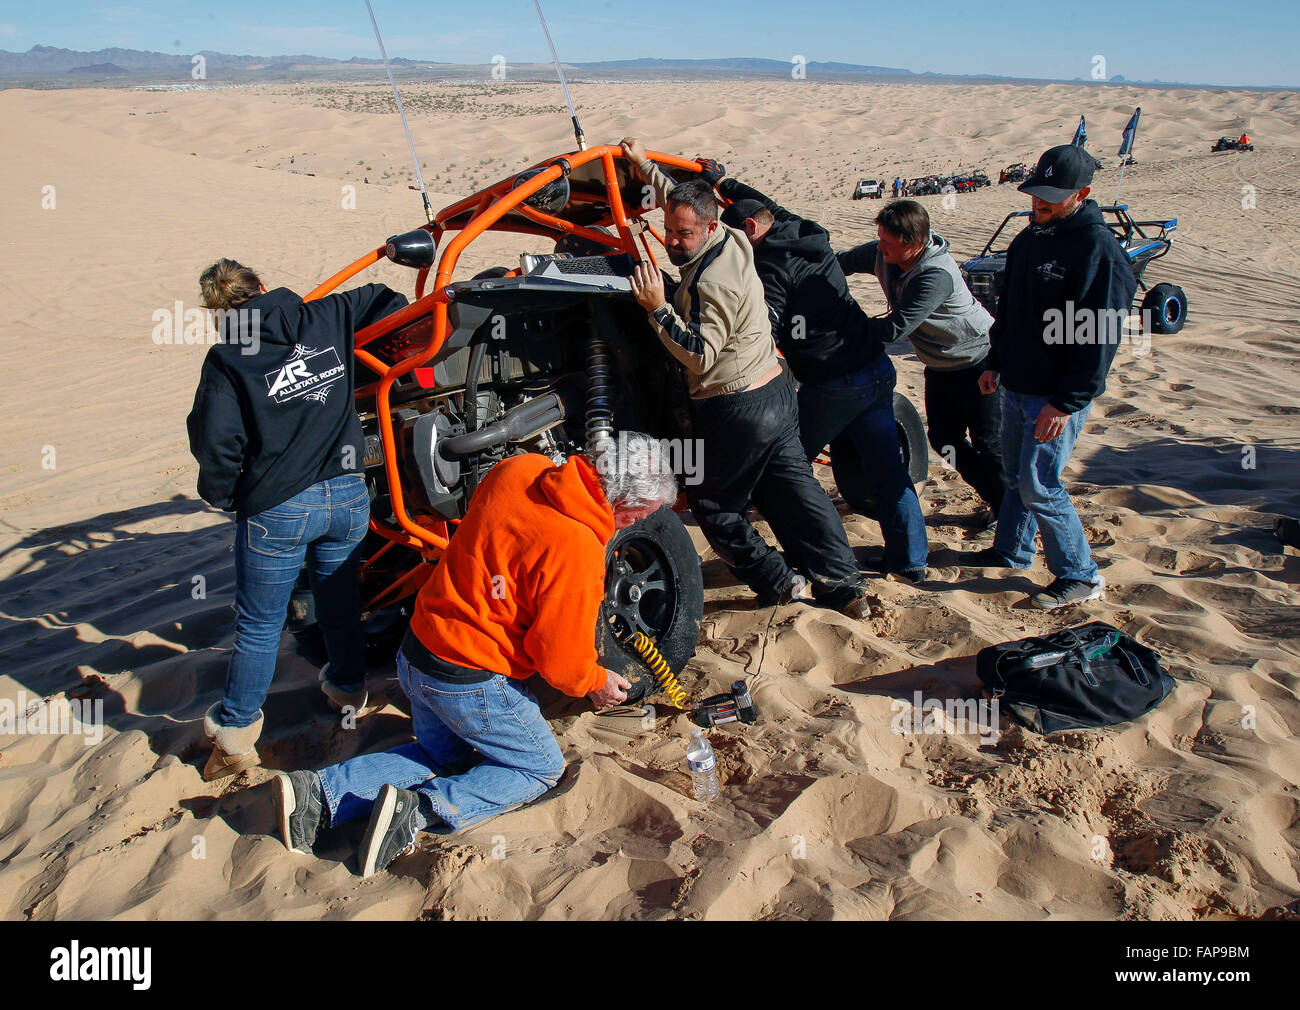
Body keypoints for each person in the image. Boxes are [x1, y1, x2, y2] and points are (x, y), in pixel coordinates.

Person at [271, 435, 676, 877]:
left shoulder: (521, 469)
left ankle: (317, 794)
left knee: (444, 755)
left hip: (419, 649)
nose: (632, 525)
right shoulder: (577, 549)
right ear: (621, 502)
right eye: (638, 516)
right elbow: (558, 660)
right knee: (539, 769)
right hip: (468, 680)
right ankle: (420, 810)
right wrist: (594, 682)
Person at [617, 138, 873, 616]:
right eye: (668, 230)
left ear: (709, 227)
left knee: (713, 504)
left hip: (736, 405)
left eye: (683, 235)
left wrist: (657, 309)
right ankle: (844, 585)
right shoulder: (732, 236)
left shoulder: (713, 282)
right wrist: (644, 166)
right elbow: (683, 199)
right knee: (795, 490)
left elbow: (699, 355)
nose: (672, 240)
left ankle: (778, 583)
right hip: (776, 389)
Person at [187, 259, 408, 781]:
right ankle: (348, 688)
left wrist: (224, 495)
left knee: (259, 625)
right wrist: (389, 359)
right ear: (263, 285)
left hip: (278, 505)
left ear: (219, 311)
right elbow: (384, 296)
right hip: (349, 493)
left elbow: (217, 444)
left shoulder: (226, 358)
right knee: (340, 602)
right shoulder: (327, 315)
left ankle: (237, 733)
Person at [701, 166, 930, 580]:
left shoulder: (771, 269)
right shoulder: (803, 230)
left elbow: (760, 330)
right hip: (875, 367)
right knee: (887, 470)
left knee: (784, 466)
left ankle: (820, 559)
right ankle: (910, 561)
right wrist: (724, 182)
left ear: (752, 230)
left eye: (734, 241)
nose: (733, 250)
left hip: (835, 383)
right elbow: (765, 203)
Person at [967, 145, 1136, 608]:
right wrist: (995, 361)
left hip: (1054, 394)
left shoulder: (1097, 250)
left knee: (1040, 484)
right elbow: (1009, 310)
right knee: (1016, 475)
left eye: (1050, 197)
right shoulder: (1028, 238)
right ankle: (1012, 551)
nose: (1038, 204)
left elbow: (1101, 336)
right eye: (1035, 193)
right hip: (1017, 382)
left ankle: (1081, 575)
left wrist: (1068, 401)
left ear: (1081, 194)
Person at [837, 199, 1004, 521]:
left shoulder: (935, 275)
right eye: (880, 239)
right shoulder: (883, 252)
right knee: (944, 439)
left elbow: (895, 328)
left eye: (887, 243)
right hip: (940, 365)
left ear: (912, 243)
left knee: (989, 444)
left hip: (980, 361)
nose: (880, 248)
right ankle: (999, 498)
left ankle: (1009, 515)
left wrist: (836, 324)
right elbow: (840, 262)